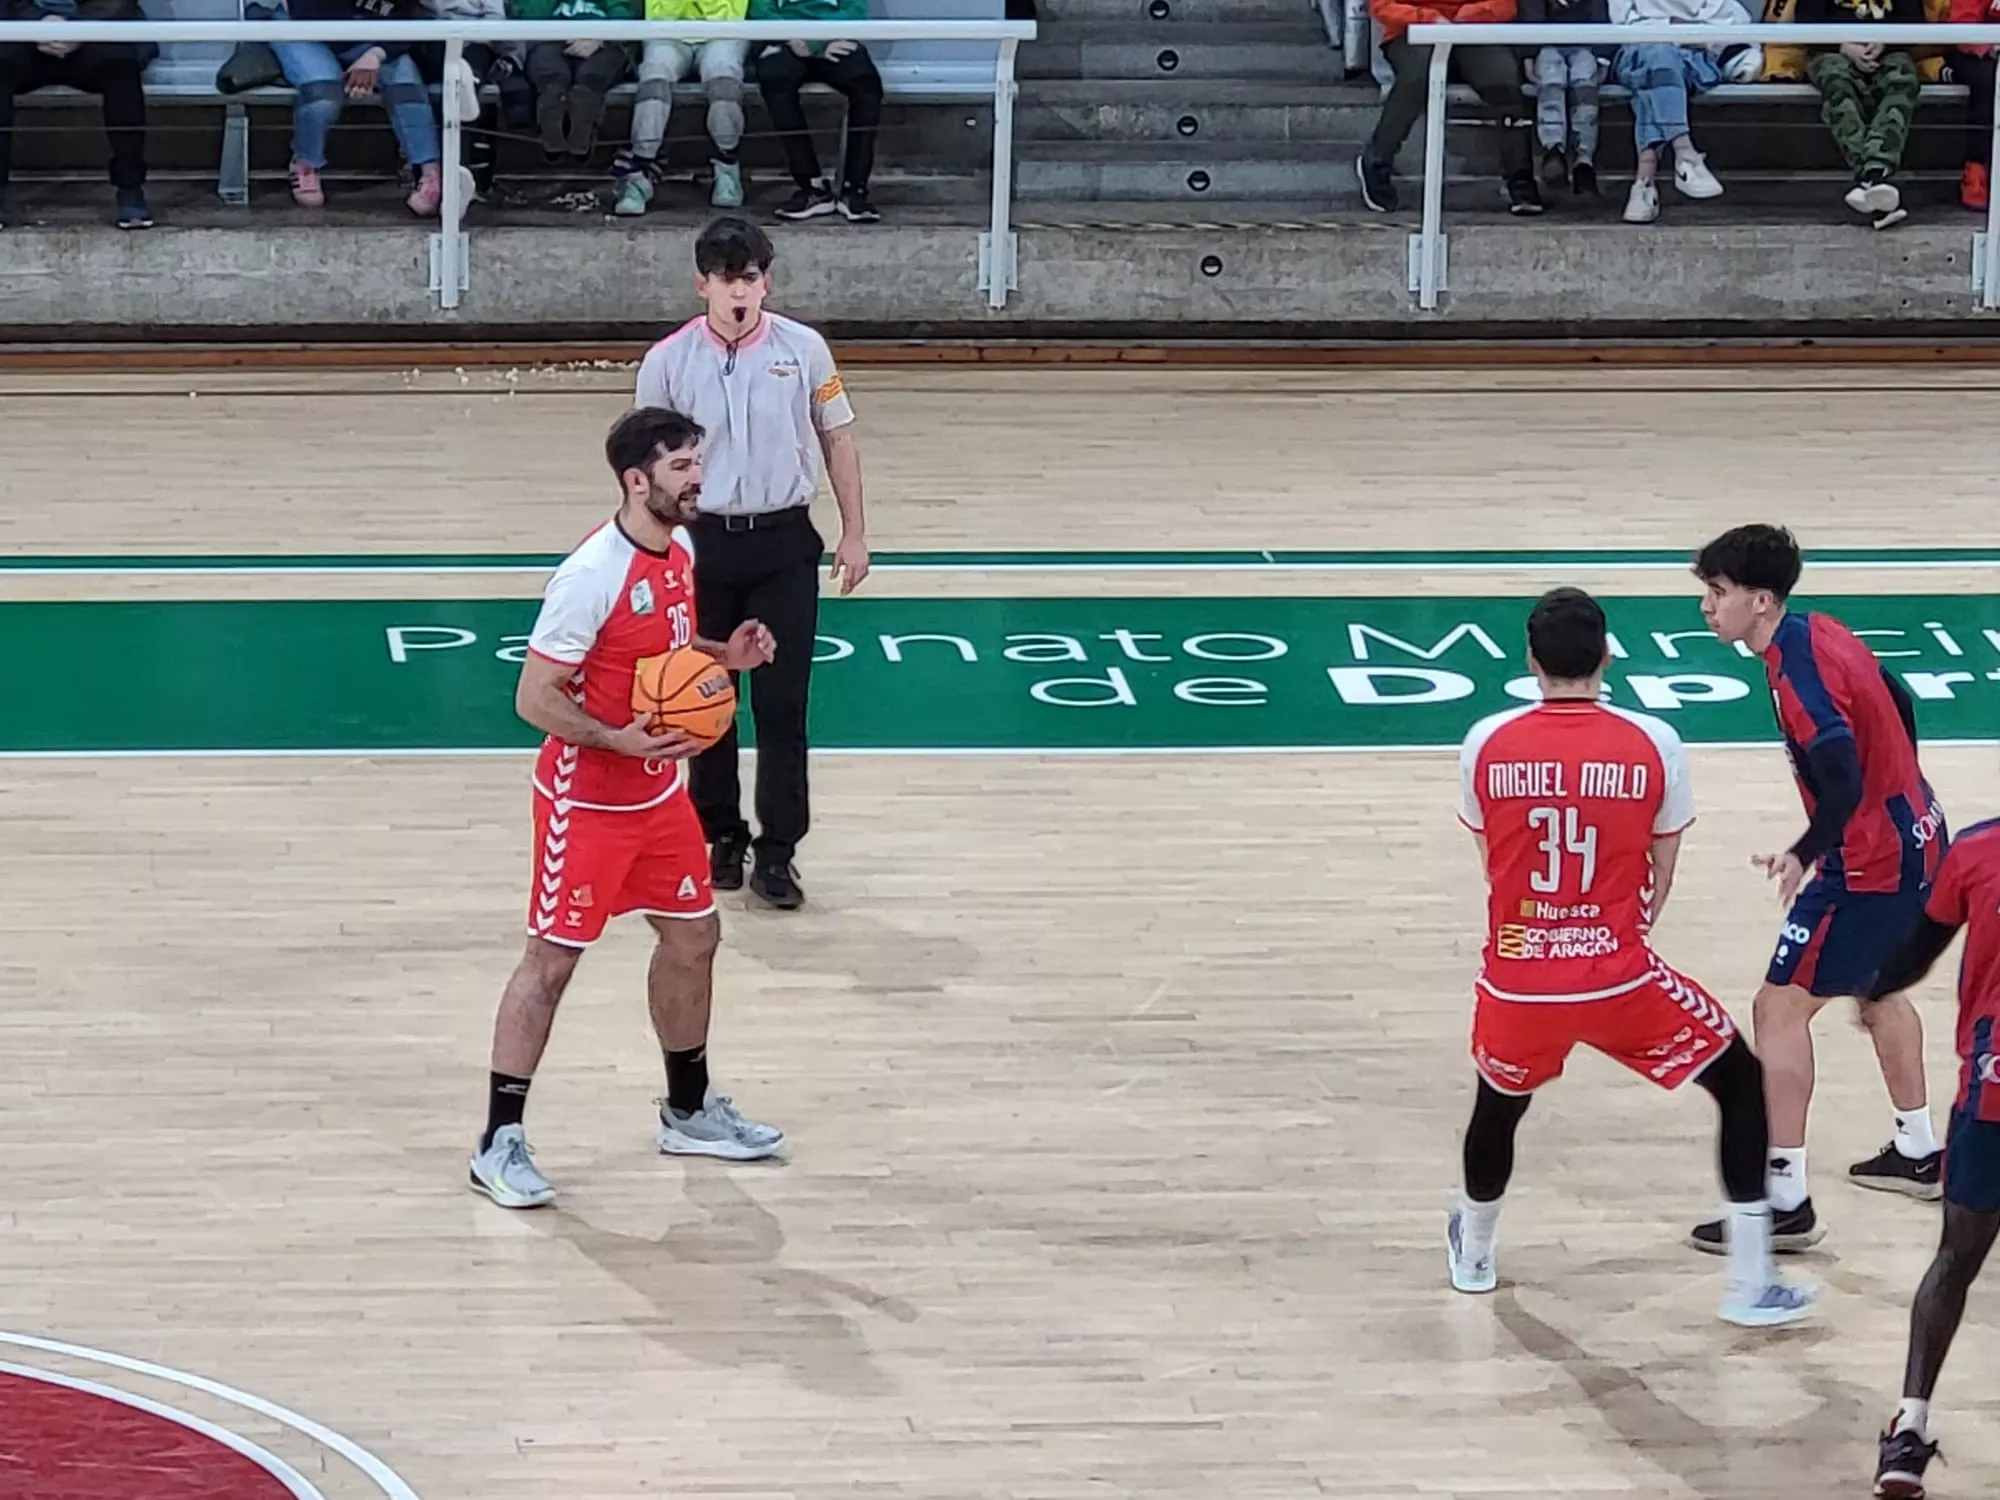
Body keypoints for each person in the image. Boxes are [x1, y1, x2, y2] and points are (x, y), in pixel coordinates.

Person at [1451, 587, 1813, 1327]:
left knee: (1499, 1104)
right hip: (1618, 974)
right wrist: (1607, 931)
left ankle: (1474, 1249)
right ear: (1607, 654)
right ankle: (1750, 1282)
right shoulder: (1654, 741)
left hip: (1519, 977)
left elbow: (1494, 860)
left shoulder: (1486, 740)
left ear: (1530, 660)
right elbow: (1661, 872)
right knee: (1740, 1083)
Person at [469, 406, 786, 1210]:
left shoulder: (679, 551)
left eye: (697, 462)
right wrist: (617, 739)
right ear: (635, 480)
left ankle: (687, 1110)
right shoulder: (590, 576)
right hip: (587, 801)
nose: (698, 479)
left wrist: (727, 657)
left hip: (658, 798)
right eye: (682, 467)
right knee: (552, 962)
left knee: (695, 937)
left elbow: (671, 659)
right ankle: (498, 1141)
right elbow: (533, 698)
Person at [1685, 525, 1947, 1256]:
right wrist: (1904, 779)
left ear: (1760, 601)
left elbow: (1841, 778)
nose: (1708, 608)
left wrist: (1805, 851)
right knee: (1880, 988)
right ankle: (1919, 1149)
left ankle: (1786, 1200)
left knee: (1779, 1009)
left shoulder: (1797, 680)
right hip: (1919, 830)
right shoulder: (1818, 630)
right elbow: (1892, 695)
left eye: (1718, 593)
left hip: (1867, 864)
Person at [634, 217, 870, 910]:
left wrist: (854, 532)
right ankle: (721, 834)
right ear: (700, 283)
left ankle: (779, 851)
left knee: (782, 703)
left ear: (766, 281)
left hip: (782, 544)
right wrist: (651, 549)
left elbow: (839, 440)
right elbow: (648, 468)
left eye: (751, 279)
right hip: (700, 545)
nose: (740, 293)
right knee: (703, 700)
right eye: (726, 280)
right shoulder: (668, 361)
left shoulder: (805, 350)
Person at [1865, 813, 2000, 1500]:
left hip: (1993, 1095)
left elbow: (1917, 952)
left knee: (1956, 1259)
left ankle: (1908, 1430)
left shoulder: (1976, 849)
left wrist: (1875, 984)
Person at [1356, 0, 1543, 217]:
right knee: (1417, 76)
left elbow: (1506, 5)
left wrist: (1470, 14)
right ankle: (1377, 160)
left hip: (1471, 30)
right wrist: (1428, 18)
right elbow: (1381, 6)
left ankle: (1520, 176)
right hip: (1413, 30)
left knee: (1504, 81)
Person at [277, 0, 443, 214]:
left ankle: (429, 171)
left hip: (369, 34)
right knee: (323, 91)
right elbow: (311, 11)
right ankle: (306, 162)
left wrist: (376, 54)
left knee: (406, 83)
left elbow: (415, 17)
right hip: (303, 28)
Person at [0, 0, 153, 230]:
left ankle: (130, 189)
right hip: (26, 35)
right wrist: (39, 23)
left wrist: (76, 27)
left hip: (95, 34)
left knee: (122, 72)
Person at [1608, 0, 1751, 224]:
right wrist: (1674, 27)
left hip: (1693, 60)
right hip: (1638, 55)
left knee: (1652, 78)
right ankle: (1685, 153)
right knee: (1658, 55)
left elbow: (1732, 22)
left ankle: (1644, 183)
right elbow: (1622, 25)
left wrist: (1670, 30)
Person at [1798, 0, 1928, 229]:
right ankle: (1875, 177)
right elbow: (1805, 23)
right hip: (1831, 50)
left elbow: (1913, 21)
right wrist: (1844, 46)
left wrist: (1884, 41)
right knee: (1837, 83)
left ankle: (1870, 181)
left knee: (1903, 81)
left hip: (1889, 49)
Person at [749, 0, 883, 221]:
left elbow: (855, 9)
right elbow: (760, 11)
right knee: (775, 80)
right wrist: (797, 38)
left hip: (834, 39)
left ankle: (854, 190)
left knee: (867, 85)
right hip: (786, 40)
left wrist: (816, 42)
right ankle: (812, 187)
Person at [615, 0, 749, 215]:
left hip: (723, 29)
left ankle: (727, 165)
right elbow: (662, 9)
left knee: (724, 76)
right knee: (654, 75)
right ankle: (639, 173)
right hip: (666, 29)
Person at [511, 0, 636, 162]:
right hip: (549, 37)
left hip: (603, 39)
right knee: (551, 76)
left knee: (591, 77)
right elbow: (529, 15)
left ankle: (581, 133)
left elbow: (624, 12)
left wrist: (600, 37)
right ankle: (554, 130)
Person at [1519, 0, 1610, 197]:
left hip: (1586, 43)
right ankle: (1553, 148)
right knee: (1550, 81)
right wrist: (1528, 56)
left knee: (1585, 85)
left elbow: (1600, 13)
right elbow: (1530, 15)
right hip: (1547, 42)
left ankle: (1584, 157)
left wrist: (1603, 58)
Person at [1948, 0, 1997, 211]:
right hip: (1976, 54)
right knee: (1987, 81)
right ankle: (1976, 173)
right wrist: (1988, 46)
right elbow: (1963, 25)